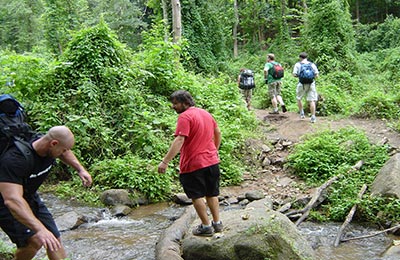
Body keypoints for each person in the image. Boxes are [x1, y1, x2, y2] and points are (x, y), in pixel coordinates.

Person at [0, 125, 92, 260]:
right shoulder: (15, 160)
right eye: (63, 150)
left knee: (53, 239)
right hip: (7, 201)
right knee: (35, 241)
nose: (65, 153)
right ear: (53, 143)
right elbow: (12, 200)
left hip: (29, 195)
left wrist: (80, 169)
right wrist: (40, 229)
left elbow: (65, 151)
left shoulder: (49, 146)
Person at [158, 90, 223, 237]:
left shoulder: (185, 117)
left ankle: (206, 226)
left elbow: (180, 140)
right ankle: (217, 223)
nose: (173, 106)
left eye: (175, 103)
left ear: (185, 103)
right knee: (212, 193)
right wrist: (215, 150)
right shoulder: (205, 113)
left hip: (193, 164)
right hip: (212, 161)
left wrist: (165, 161)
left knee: (196, 195)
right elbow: (217, 132)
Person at [292, 52, 319, 123]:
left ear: (300, 57)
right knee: (312, 100)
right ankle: (313, 117)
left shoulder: (298, 64)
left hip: (302, 84)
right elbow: (316, 75)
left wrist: (301, 76)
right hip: (311, 83)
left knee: (299, 98)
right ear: (307, 57)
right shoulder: (312, 64)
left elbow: (294, 74)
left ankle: (302, 113)